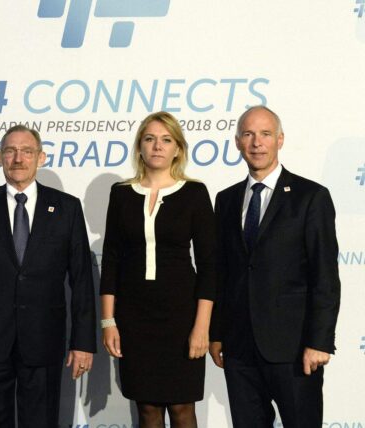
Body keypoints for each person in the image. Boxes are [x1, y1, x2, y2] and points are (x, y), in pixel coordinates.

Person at [0, 124, 96, 428]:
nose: (18, 159)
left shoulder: (67, 208)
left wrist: (83, 342)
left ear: (41, 157)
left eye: (27, 151)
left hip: (44, 339)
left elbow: (81, 280)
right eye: (11, 151)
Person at [209, 106, 340, 428]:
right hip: (239, 348)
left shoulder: (311, 197)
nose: (257, 143)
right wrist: (217, 333)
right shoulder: (226, 200)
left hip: (294, 349)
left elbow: (325, 276)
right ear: (237, 142)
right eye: (248, 134)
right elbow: (222, 273)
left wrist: (319, 341)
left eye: (265, 134)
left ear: (280, 140)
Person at [100, 111, 216, 428]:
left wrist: (202, 326)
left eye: (166, 140)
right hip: (134, 318)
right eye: (150, 139)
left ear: (178, 148)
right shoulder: (121, 193)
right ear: (140, 146)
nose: (157, 146)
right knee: (147, 409)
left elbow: (209, 266)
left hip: (181, 317)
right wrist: (108, 321)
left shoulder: (194, 193)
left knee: (182, 408)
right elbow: (111, 260)